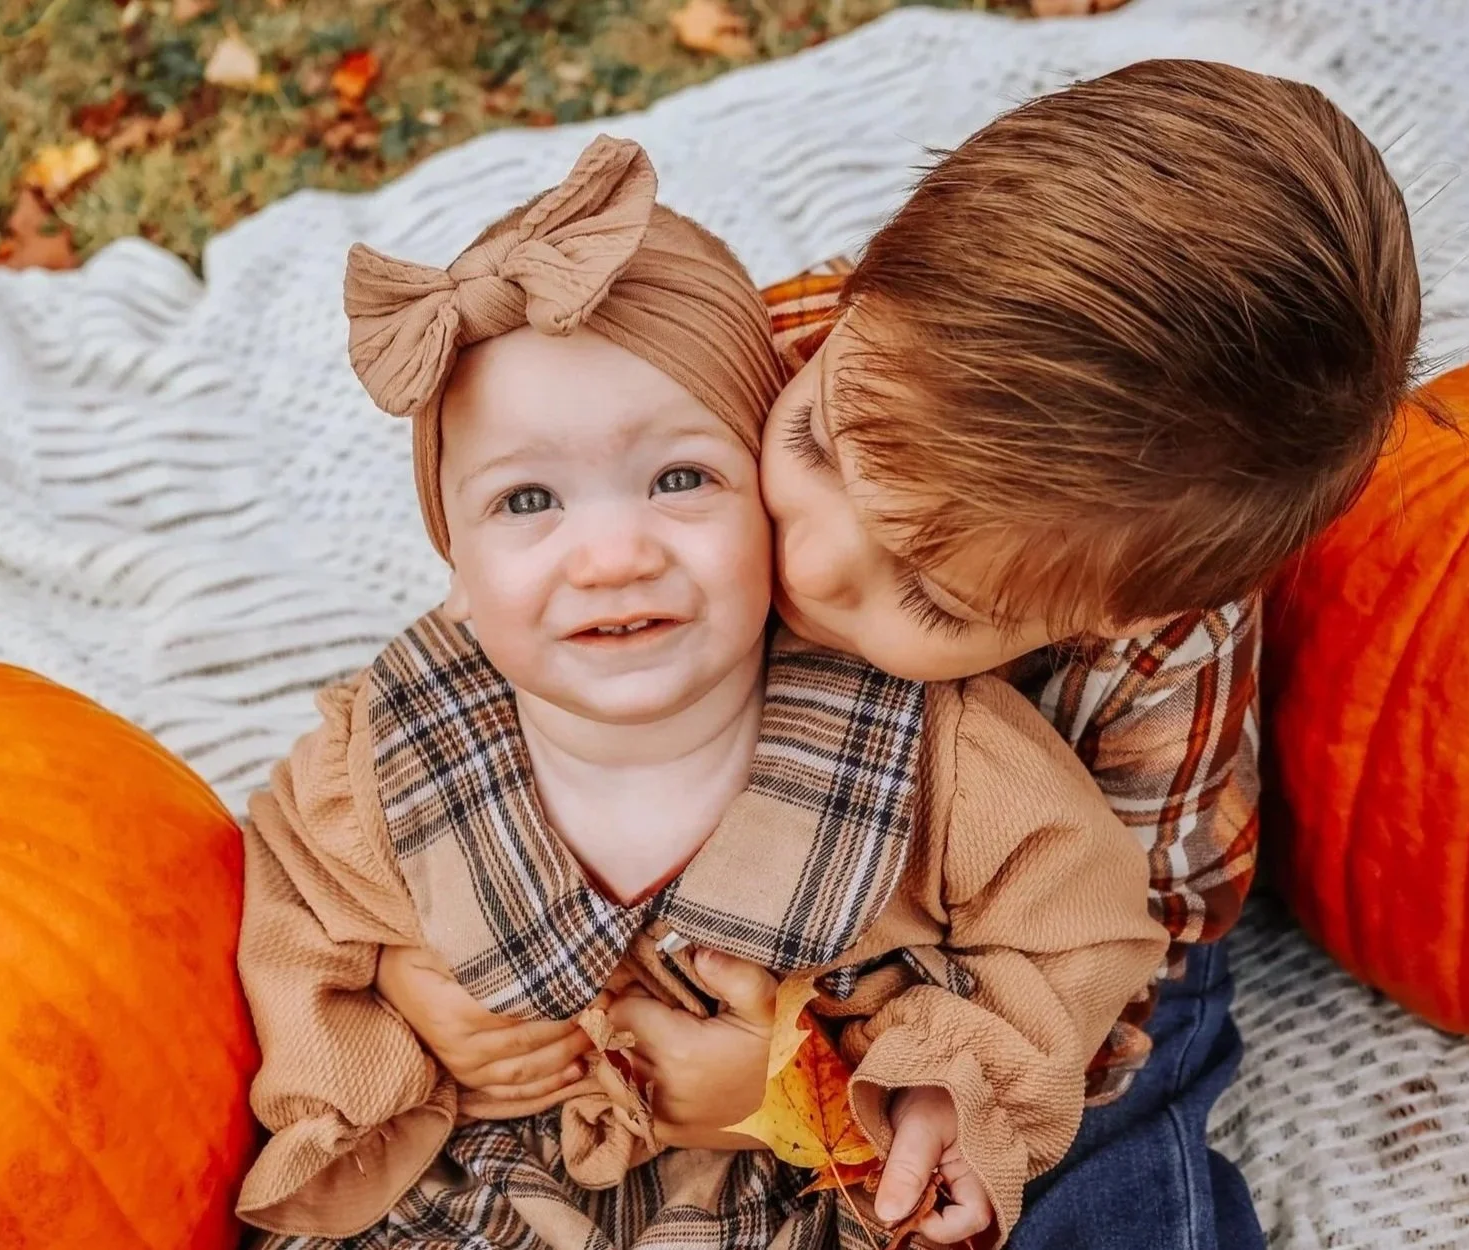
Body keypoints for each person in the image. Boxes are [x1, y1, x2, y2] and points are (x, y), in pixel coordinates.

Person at [376, 59, 1424, 1250]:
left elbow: (1120, 940)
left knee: (1095, 1168)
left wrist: (858, 1078)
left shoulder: (1161, 645)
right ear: (868, 286)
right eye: (817, 441)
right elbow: (519, 592)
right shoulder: (754, 355)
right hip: (731, 830)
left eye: (928, 592)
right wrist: (419, 968)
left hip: (1008, 934)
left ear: (1111, 612)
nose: (811, 563)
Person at [232, 134, 1166, 1250]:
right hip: (484, 1187)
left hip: (799, 1188)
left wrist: (887, 1086)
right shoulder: (393, 745)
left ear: (761, 486)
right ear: (454, 555)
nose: (612, 553)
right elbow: (295, 906)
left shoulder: (930, 753)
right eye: (526, 500)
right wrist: (402, 992)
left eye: (681, 478)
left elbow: (1077, 930)